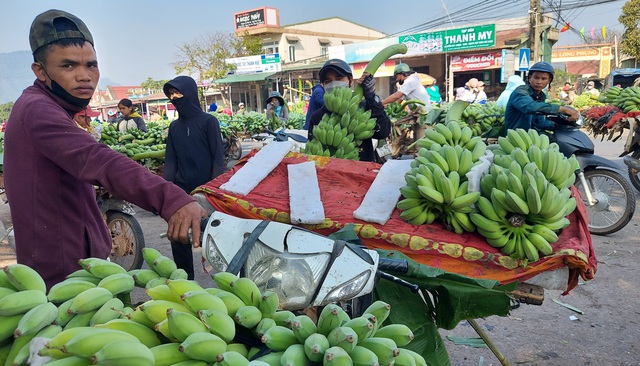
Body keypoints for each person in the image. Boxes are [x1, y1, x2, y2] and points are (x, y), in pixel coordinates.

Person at [3, 9, 206, 289]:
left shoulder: (55, 108)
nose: (84, 76)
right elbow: (97, 160)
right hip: (62, 275)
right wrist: (171, 199)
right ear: (40, 71)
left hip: (83, 261)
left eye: (91, 65)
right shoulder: (37, 110)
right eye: (68, 66)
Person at [163, 76, 225, 280]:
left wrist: (214, 191)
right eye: (171, 94)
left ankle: (230, 284)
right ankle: (186, 283)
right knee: (178, 237)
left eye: (178, 93)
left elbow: (218, 160)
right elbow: (171, 162)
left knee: (216, 241)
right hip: (181, 192)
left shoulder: (209, 122)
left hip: (206, 193)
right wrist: (166, 193)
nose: (174, 97)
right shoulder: (174, 127)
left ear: (190, 93)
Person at [308, 58, 391, 162]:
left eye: (339, 78)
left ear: (351, 81)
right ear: (323, 85)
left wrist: (371, 97)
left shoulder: (363, 109)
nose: (334, 84)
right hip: (329, 174)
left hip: (362, 173)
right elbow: (312, 151)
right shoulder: (317, 117)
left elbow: (383, 132)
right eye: (328, 81)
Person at [504, 62, 579, 136]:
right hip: (515, 138)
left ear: (549, 81)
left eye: (543, 79)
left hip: (532, 137)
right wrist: (562, 109)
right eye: (536, 78)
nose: (539, 82)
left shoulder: (541, 96)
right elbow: (531, 107)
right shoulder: (520, 91)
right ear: (530, 77)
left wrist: (560, 125)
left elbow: (539, 122)